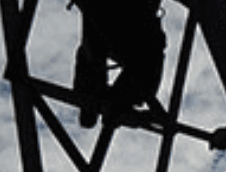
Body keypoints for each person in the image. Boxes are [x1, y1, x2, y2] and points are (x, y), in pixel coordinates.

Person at [71, 0, 165, 128]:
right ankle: (114, 103)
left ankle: (113, 103)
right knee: (94, 52)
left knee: (94, 52)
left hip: (129, 24)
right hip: (132, 24)